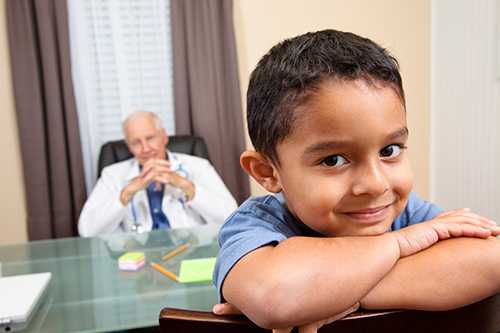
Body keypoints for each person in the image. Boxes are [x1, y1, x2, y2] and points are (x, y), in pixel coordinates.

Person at [212, 30, 500, 332]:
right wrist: (399, 244)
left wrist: (324, 295)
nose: (376, 185)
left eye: (389, 151)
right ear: (267, 172)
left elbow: (492, 257)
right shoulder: (254, 225)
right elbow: (275, 296)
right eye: (333, 160)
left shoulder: (405, 213)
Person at [78, 111, 237, 237]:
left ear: (164, 137)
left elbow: (231, 217)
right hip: (139, 260)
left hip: (190, 254)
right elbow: (87, 230)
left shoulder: (198, 166)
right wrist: (127, 193)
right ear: (129, 146)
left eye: (150, 138)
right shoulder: (112, 175)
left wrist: (186, 186)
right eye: (136, 142)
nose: (145, 148)